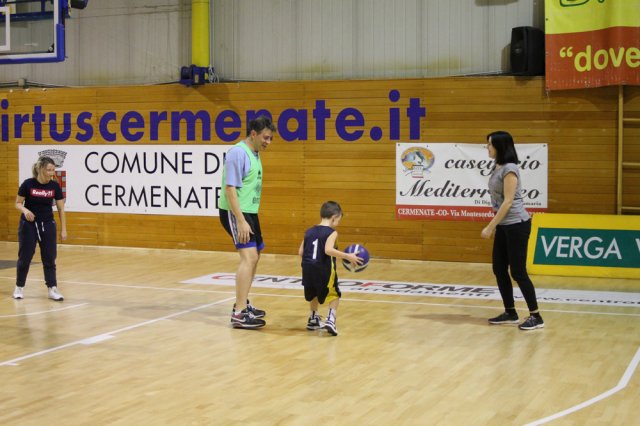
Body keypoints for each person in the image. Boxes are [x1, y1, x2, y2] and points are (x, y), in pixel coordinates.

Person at [481, 131, 544, 330]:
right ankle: (510, 312)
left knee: (517, 272)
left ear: (499, 146)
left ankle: (536, 316)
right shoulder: (497, 166)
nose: (487, 147)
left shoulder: (510, 169)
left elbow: (508, 202)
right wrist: (497, 225)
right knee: (499, 269)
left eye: (489, 144)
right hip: (504, 225)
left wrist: (490, 226)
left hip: (517, 225)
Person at [218, 116, 276, 329]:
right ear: (253, 133)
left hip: (250, 212)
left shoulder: (254, 153)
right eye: (265, 138)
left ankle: (243, 303)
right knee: (248, 257)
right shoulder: (238, 153)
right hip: (236, 213)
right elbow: (230, 189)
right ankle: (239, 313)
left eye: (270, 138)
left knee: (255, 255)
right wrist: (241, 221)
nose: (268, 142)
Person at [298, 201, 363, 336]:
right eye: (338, 220)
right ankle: (331, 320)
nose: (338, 223)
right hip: (323, 268)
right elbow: (328, 250)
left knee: (314, 293)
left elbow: (300, 252)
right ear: (334, 217)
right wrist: (348, 256)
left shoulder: (309, 231)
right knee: (334, 294)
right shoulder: (332, 232)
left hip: (307, 268)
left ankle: (313, 318)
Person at [14, 156, 67, 301]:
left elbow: (61, 209)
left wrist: (64, 230)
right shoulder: (28, 184)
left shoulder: (54, 186)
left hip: (48, 225)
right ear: (40, 169)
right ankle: (19, 287)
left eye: (53, 170)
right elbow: (17, 203)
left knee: (49, 258)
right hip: (28, 225)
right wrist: (25, 210)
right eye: (49, 170)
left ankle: (52, 288)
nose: (51, 173)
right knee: (25, 257)